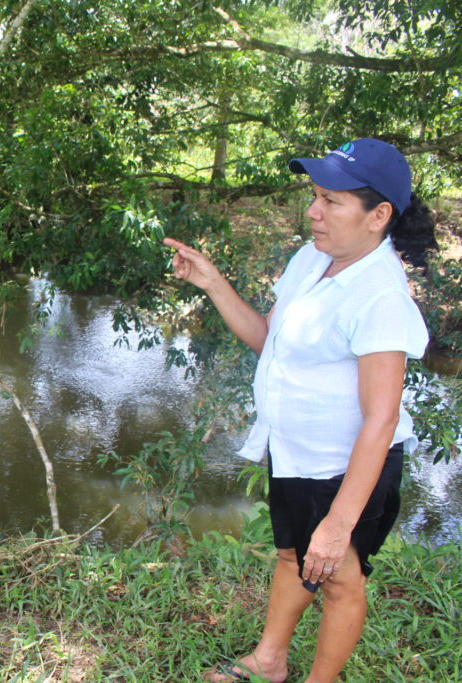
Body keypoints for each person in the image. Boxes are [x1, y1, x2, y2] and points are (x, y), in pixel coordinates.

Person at [163, 138, 437, 683]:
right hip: (295, 453)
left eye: (332, 201)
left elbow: (380, 419)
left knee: (339, 578)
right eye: (314, 195)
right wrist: (213, 282)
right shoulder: (314, 259)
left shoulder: (380, 296)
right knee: (291, 556)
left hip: (343, 469)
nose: (313, 211)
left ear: (378, 215)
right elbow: (272, 341)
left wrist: (339, 523)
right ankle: (270, 660)